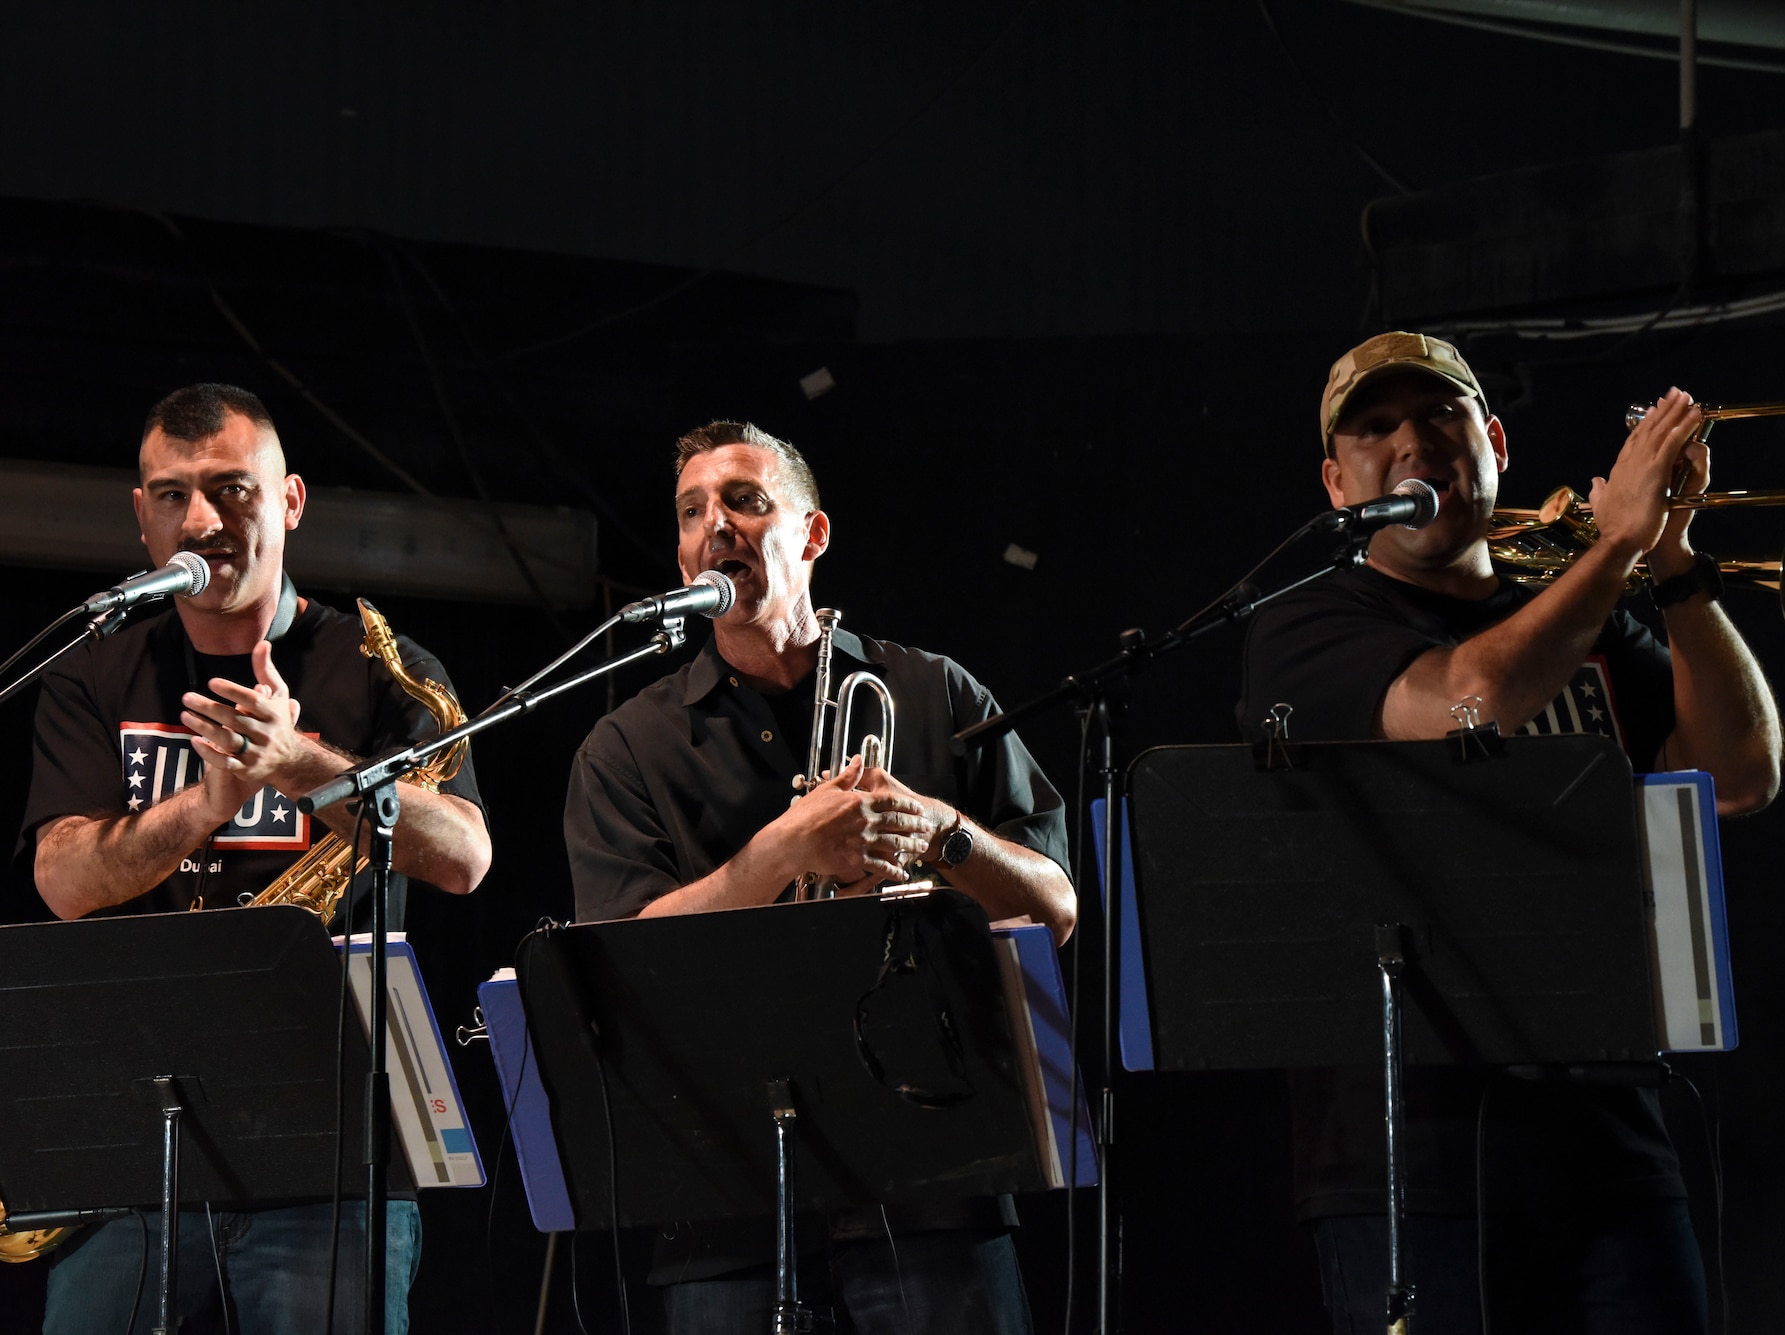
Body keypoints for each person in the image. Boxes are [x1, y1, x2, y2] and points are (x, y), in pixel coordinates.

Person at [1238, 332, 1782, 1335]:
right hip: (1409, 1162)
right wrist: (1616, 545)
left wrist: (1673, 563)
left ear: (1491, 441)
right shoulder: (1306, 626)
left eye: (1439, 416)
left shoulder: (1580, 617)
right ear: (1334, 481)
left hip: (1609, 1136)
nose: (1411, 442)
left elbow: (1737, 778)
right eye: (1373, 428)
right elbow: (1467, 703)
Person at [565, 420, 1075, 1335]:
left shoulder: (933, 692)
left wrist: (938, 830)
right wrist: (783, 853)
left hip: (934, 1183)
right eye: (691, 513)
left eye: (744, 502)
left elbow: (1058, 906)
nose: (714, 527)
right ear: (682, 557)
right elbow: (619, 959)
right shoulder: (626, 746)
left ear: (813, 534)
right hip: (723, 1197)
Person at [19, 383, 492, 1335]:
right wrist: (208, 805)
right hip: (133, 1148)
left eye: (233, 488)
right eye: (172, 494)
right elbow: (63, 880)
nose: (203, 520)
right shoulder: (91, 672)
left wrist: (303, 765)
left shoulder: (382, 665)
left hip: (334, 1155)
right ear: (142, 517)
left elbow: (467, 857)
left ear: (291, 501)